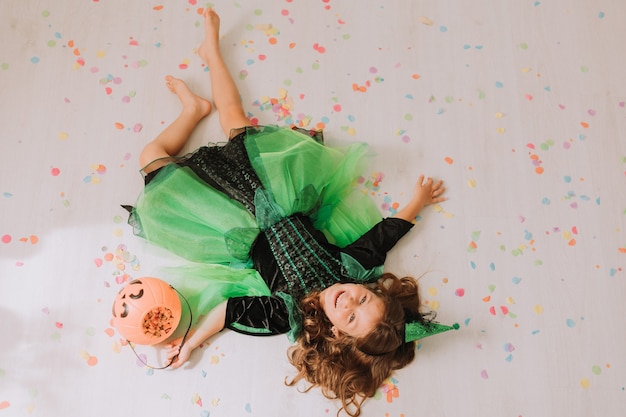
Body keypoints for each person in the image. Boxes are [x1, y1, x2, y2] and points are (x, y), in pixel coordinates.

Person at [125, 8, 450, 417]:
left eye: (349, 315)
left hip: (233, 223)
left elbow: (227, 313)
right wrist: (418, 201)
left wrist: (188, 343)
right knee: (235, 121)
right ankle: (212, 53)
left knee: (151, 158)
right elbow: (387, 232)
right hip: (278, 191)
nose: (349, 297)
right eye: (364, 297)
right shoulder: (353, 265)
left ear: (336, 332)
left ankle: (191, 111)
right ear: (373, 289)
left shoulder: (288, 314)